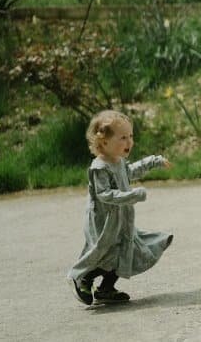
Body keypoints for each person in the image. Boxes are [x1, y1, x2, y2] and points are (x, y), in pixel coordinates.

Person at [68, 110, 173, 305]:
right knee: (109, 253)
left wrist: (153, 161)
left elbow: (130, 171)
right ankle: (83, 277)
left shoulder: (119, 161)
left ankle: (106, 289)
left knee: (127, 250)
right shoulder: (100, 167)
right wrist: (132, 195)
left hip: (121, 219)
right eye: (123, 137)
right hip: (105, 223)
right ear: (104, 142)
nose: (129, 142)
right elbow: (104, 194)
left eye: (131, 136)